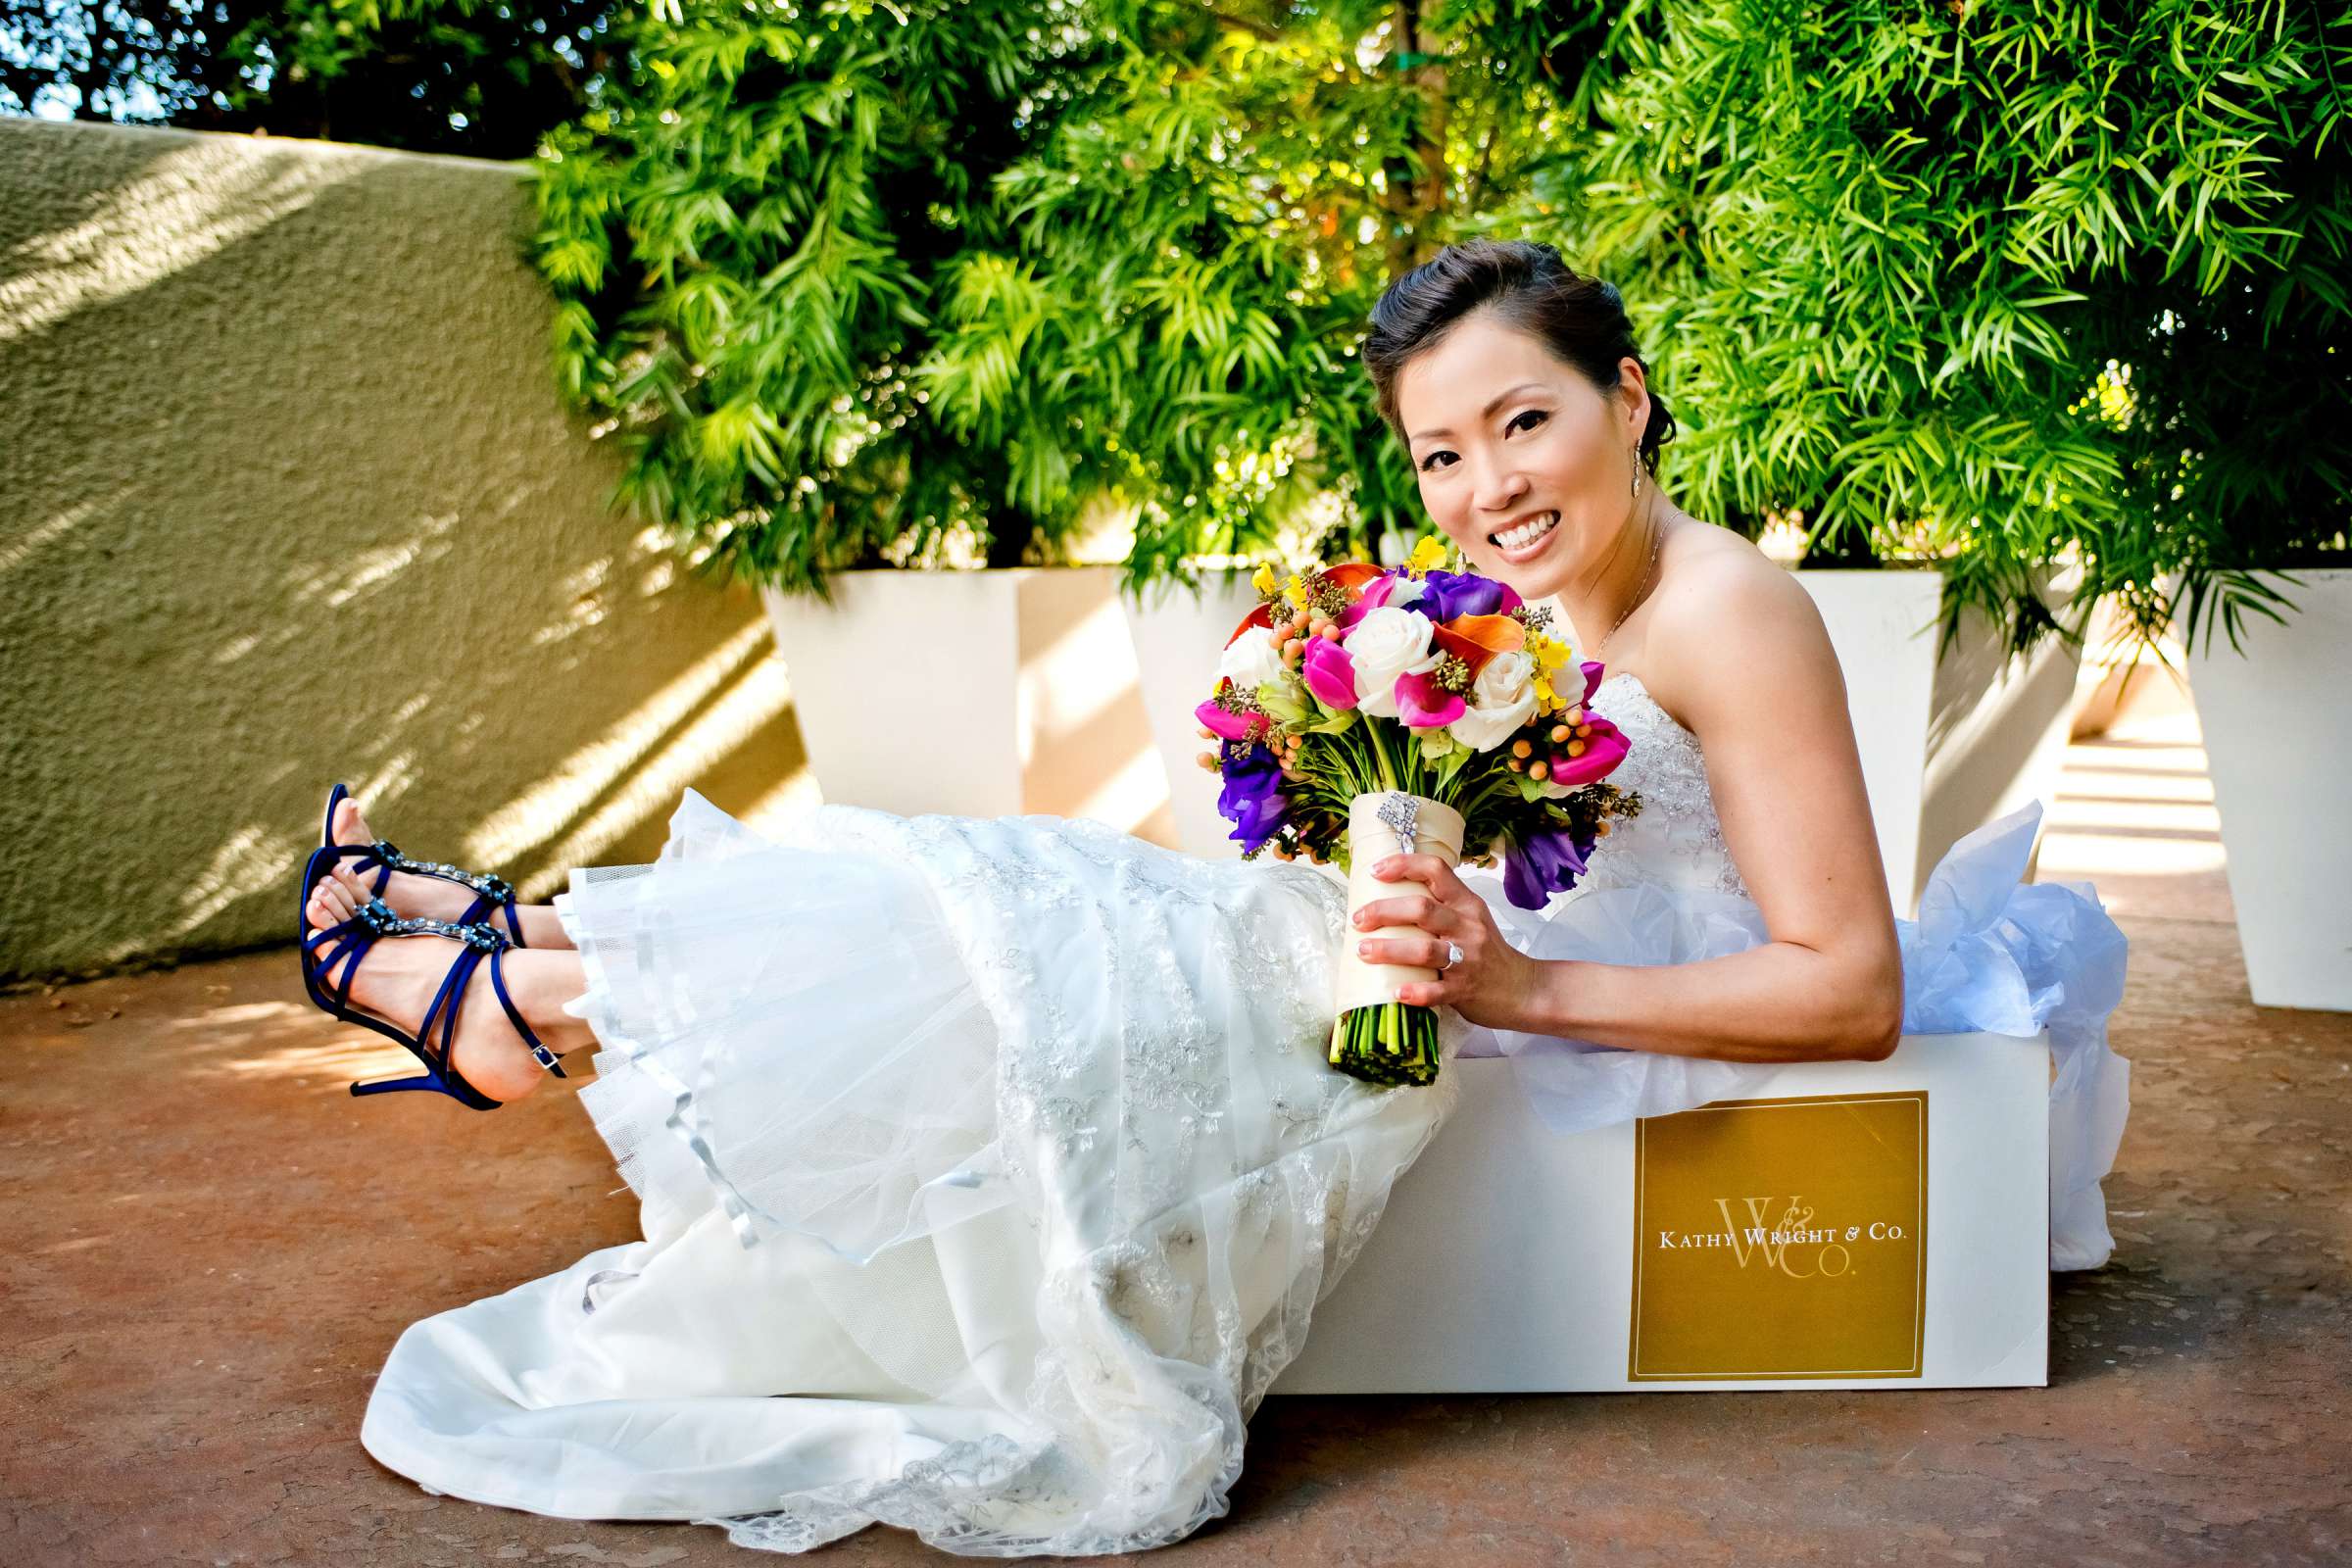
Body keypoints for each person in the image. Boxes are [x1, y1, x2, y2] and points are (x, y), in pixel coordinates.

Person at [299, 240, 2128, 1557]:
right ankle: (542, 960)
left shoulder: (1729, 609)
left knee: (1116, 951)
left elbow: (1843, 991)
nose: (1484, 488)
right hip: (1530, 996)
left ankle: (530, 987)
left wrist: (1515, 990)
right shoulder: (1568, 602)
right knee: (1083, 924)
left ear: (1627, 396)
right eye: (1439, 454)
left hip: (1618, 1042)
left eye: (1524, 422)